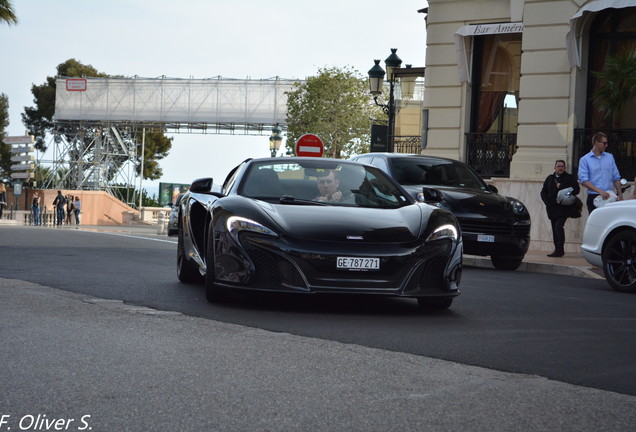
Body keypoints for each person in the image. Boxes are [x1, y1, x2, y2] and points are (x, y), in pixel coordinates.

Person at [540, 160, 580, 257]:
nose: (560, 168)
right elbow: (543, 192)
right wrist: (546, 202)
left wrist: (562, 186)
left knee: (558, 227)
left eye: (562, 166)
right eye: (558, 166)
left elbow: (576, 190)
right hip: (552, 208)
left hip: (563, 208)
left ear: (565, 167)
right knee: (554, 228)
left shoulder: (570, 178)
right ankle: (557, 250)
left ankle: (559, 249)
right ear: (555, 167)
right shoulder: (550, 178)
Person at [578, 131, 623, 214]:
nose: (606, 145)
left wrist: (620, 194)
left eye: (607, 143)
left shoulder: (610, 157)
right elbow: (583, 180)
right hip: (594, 196)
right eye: (604, 143)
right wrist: (599, 191)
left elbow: (616, 177)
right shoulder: (585, 159)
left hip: (610, 196)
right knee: (596, 224)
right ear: (596, 143)